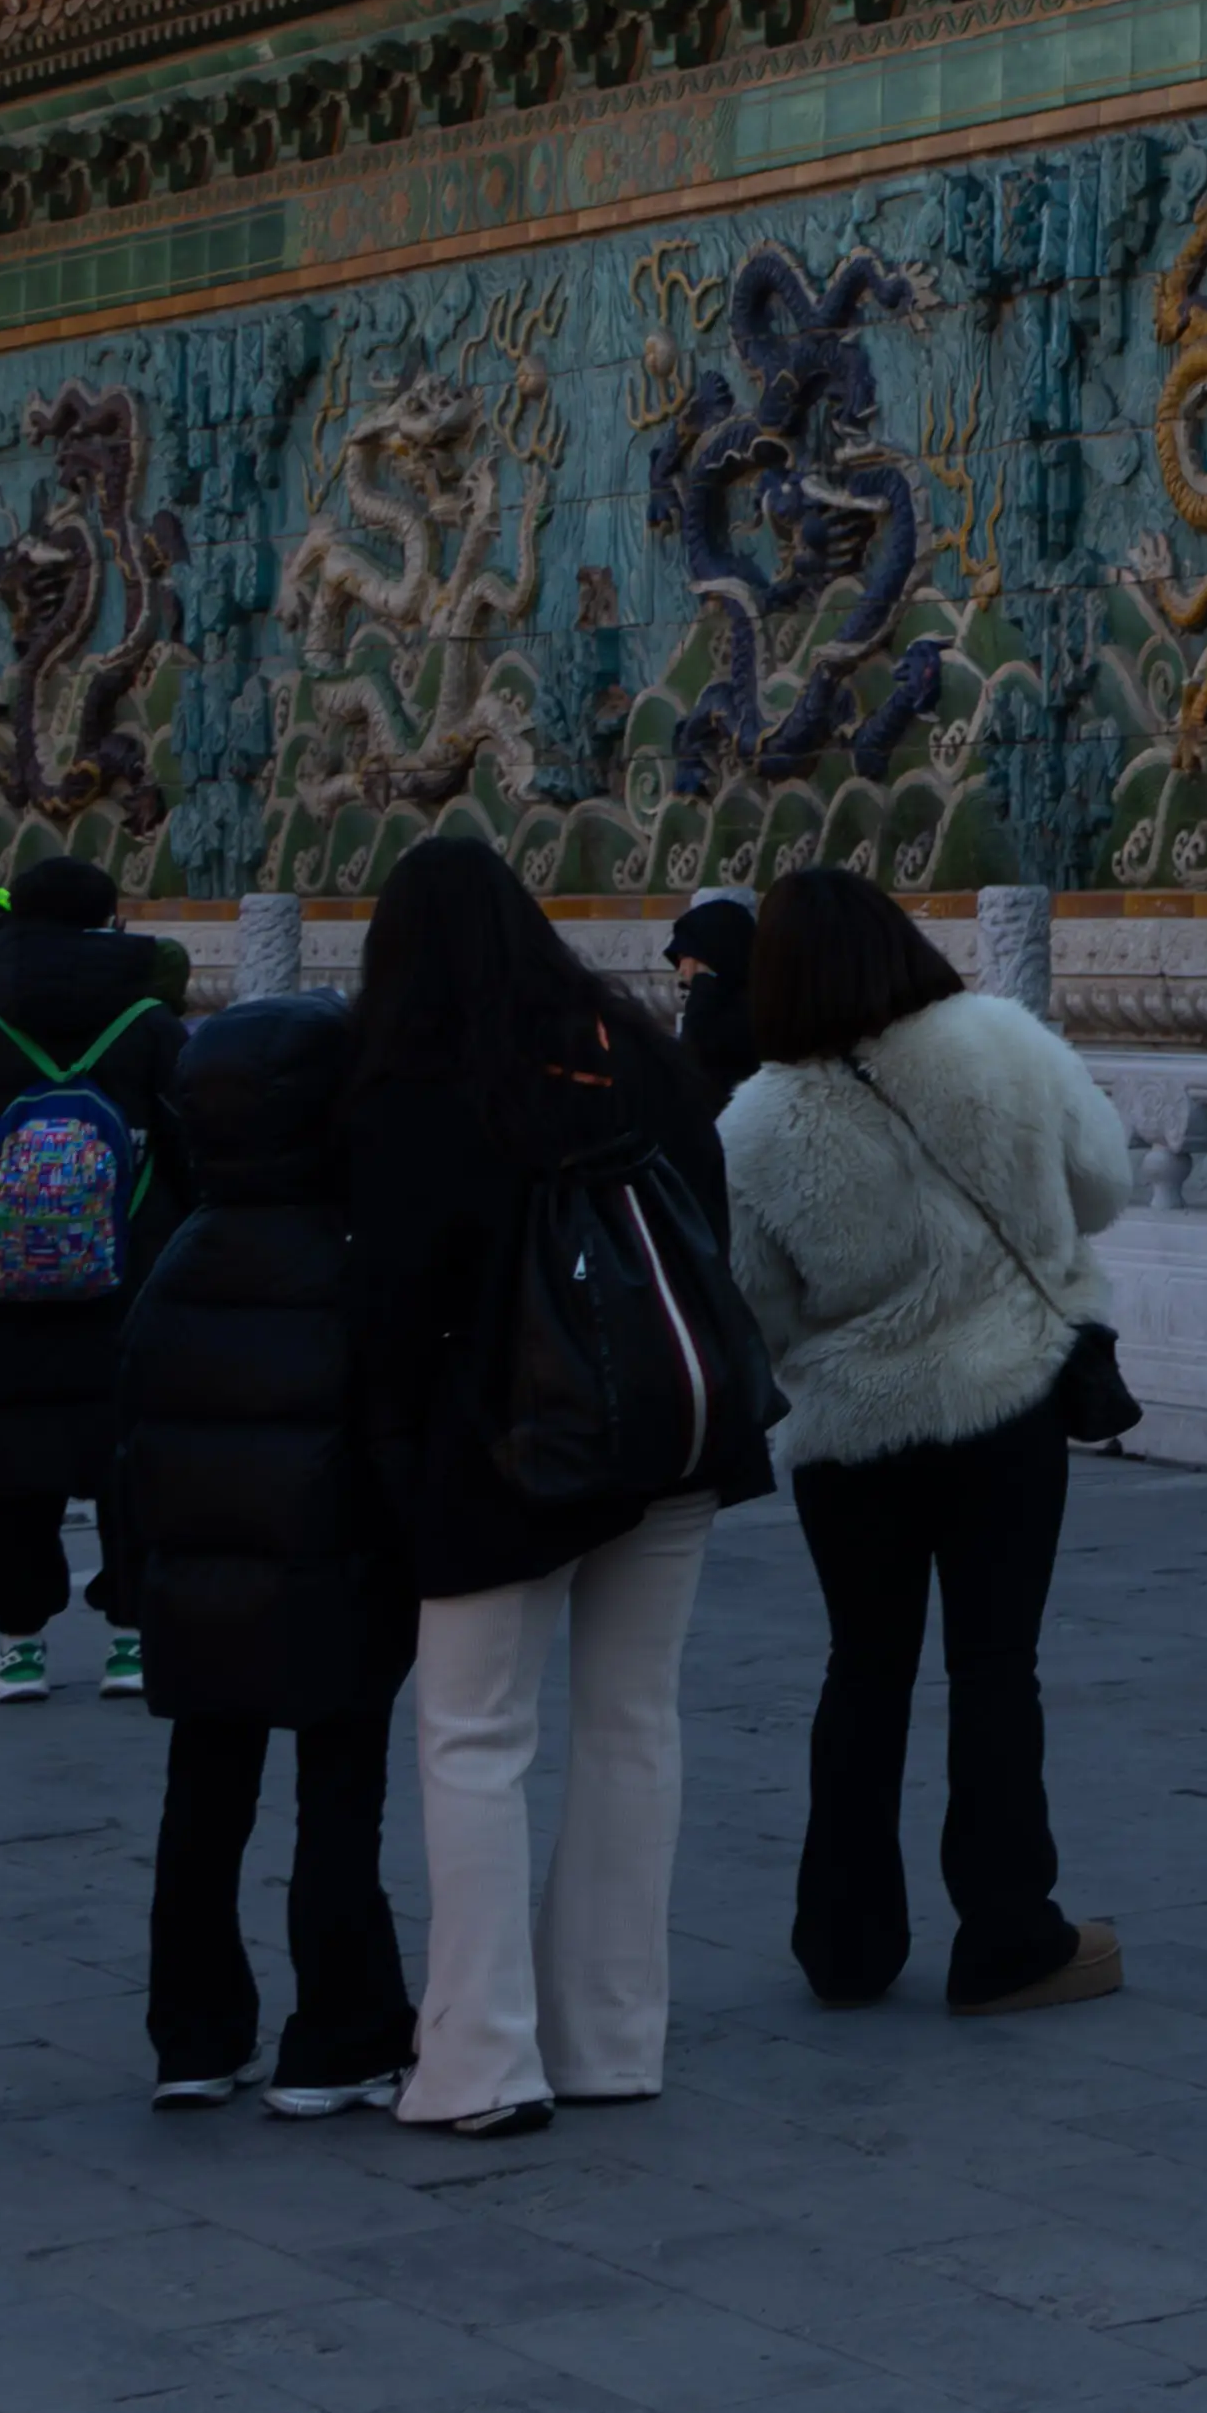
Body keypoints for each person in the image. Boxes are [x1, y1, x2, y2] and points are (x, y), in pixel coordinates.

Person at [350, 833, 761, 2136]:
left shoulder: (419, 1074)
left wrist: (397, 1462)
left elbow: (399, 1300)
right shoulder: (637, 1049)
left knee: (474, 1737)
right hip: (670, 1431)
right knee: (632, 1721)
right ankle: (610, 2037)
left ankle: (481, 2060)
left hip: (509, 1444)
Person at [711, 869, 1126, 2020]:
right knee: (996, 1665)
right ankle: (1007, 1934)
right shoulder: (1003, 1043)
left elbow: (756, 1306)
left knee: (864, 1669)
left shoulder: (756, 1122)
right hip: (1007, 1408)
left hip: (854, 1437)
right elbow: (1103, 1183)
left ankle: (844, 1940)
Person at [116, 993, 410, 2116]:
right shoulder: (350, 1258)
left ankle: (192, 2033)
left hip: (196, 1583)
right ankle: (339, 2035)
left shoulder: (178, 1255)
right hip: (331, 1575)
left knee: (202, 1802)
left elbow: (130, 1439)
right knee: (339, 1802)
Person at [0, 857, 179, 1704]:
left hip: (10, 1295)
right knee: (131, 1464)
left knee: (17, 1468)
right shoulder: (150, 1024)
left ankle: (20, 1648)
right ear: (110, 919)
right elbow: (192, 1159)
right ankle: (133, 1642)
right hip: (132, 1287)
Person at [662, 895, 761, 1103]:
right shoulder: (741, 1002)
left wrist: (704, 985)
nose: (681, 971)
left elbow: (695, 1062)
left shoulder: (734, 1012)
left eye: (684, 959)